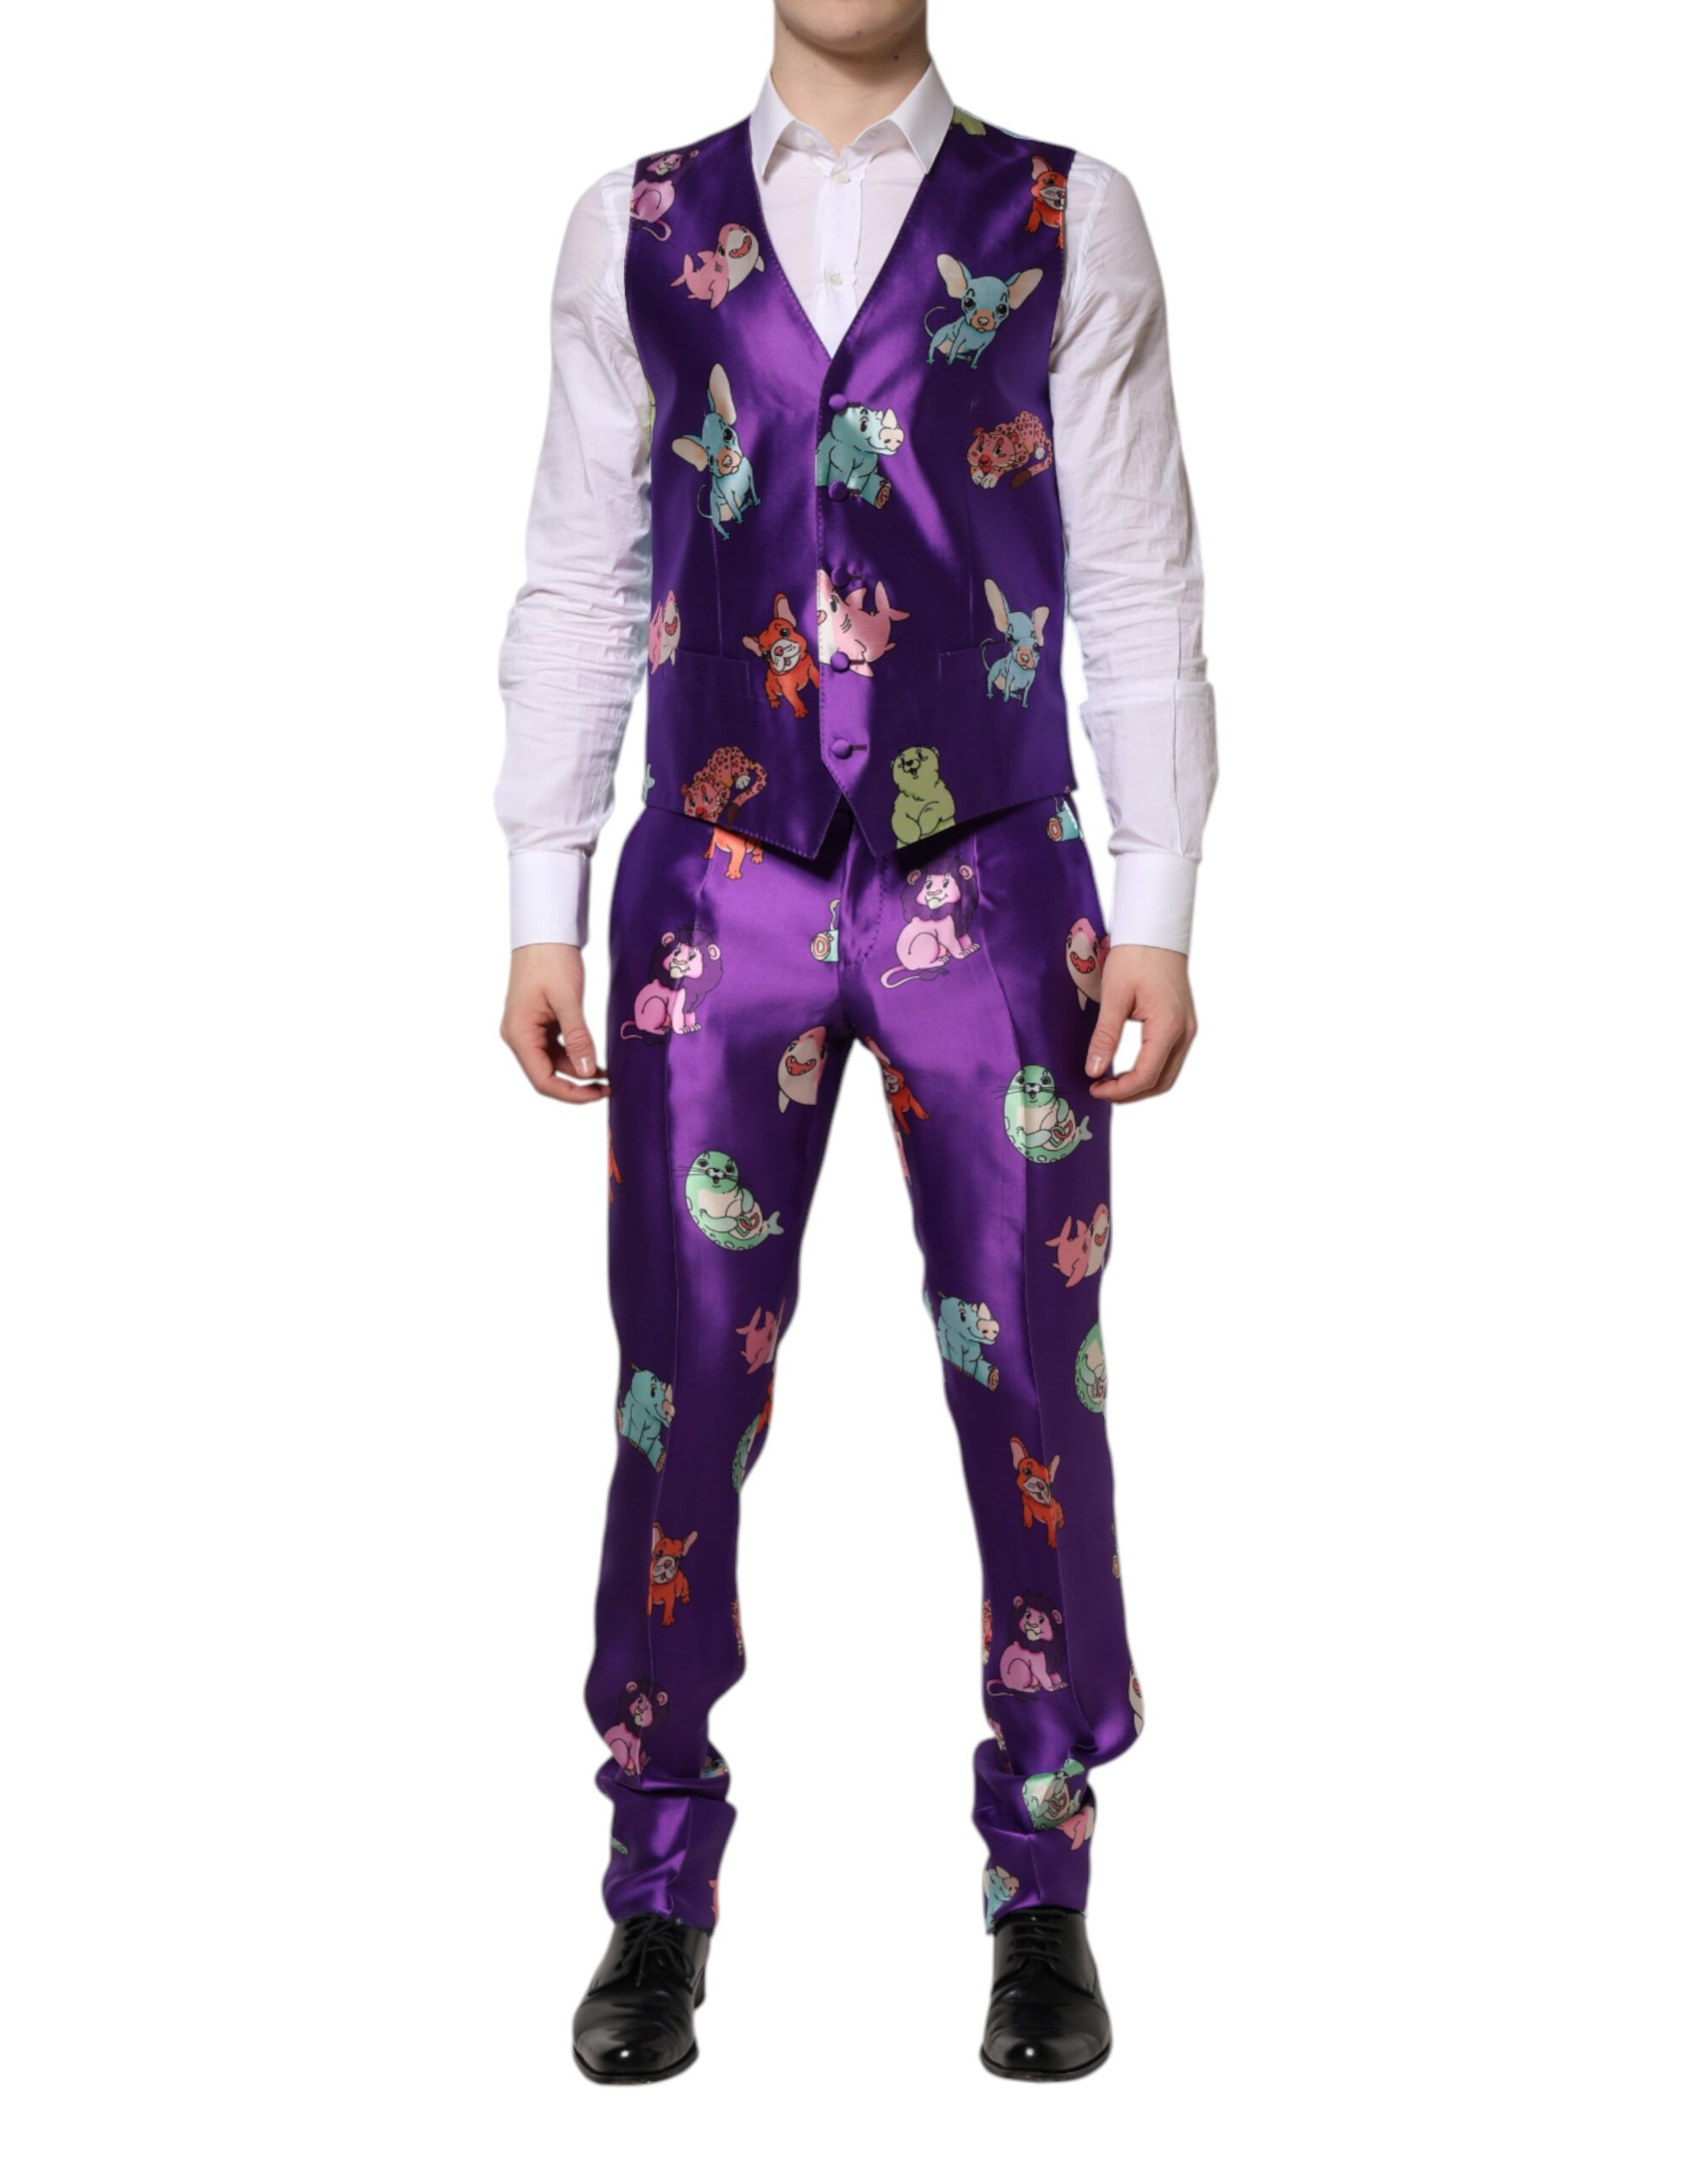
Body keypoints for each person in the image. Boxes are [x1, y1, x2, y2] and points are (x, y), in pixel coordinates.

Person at [495, 0, 1216, 2084]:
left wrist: (1157, 894)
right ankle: (654, 1876)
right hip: (709, 890)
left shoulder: (1068, 215)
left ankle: (1042, 1877)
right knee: (677, 1385)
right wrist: (539, 884)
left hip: (991, 875)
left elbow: (1137, 564)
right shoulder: (630, 225)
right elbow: (579, 564)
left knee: (1034, 1375)